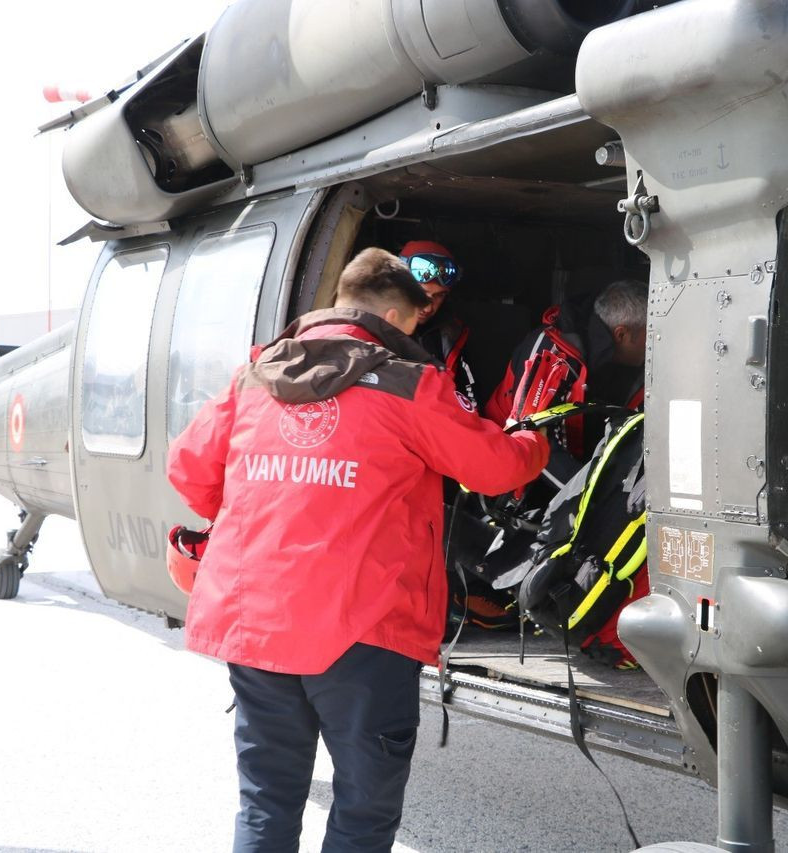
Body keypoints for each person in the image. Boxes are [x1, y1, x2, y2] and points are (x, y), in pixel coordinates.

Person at [166, 247, 549, 852]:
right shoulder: (409, 385)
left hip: (255, 621)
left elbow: (188, 470)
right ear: (398, 318)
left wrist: (269, 508)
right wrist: (533, 438)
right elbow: (495, 470)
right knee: (363, 812)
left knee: (266, 800)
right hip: (363, 629)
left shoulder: (256, 373)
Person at [485, 278, 648, 483]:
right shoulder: (548, 352)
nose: (655, 342)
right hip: (514, 475)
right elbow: (528, 438)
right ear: (621, 334)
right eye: (650, 334)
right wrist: (588, 497)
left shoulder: (625, 365)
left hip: (573, 467)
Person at [400, 239, 478, 405]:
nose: (428, 308)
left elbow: (469, 404)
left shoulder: (450, 336)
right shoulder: (374, 330)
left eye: (439, 296)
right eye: (422, 294)